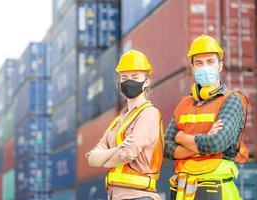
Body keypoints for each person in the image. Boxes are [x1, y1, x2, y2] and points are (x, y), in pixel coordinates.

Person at [164, 34, 248, 200]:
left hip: (217, 191)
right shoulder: (184, 104)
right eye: (199, 63)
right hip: (183, 191)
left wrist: (182, 138)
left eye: (210, 62)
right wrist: (202, 142)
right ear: (192, 67)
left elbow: (216, 143)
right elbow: (166, 147)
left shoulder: (231, 100)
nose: (205, 67)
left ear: (220, 66)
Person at [86, 49, 164, 200]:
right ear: (119, 82)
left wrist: (103, 158)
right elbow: (91, 158)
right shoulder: (118, 120)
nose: (129, 81)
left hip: (140, 196)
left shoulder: (149, 113)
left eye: (135, 76)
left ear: (146, 81)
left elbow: (128, 154)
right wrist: (116, 149)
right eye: (124, 77)